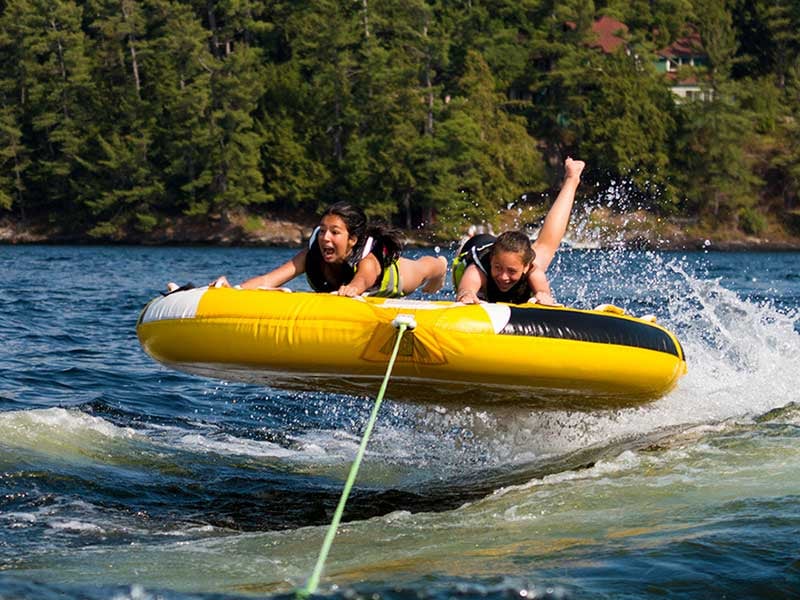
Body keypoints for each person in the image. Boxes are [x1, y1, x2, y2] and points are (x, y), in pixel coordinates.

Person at [206, 201, 447, 298]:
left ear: (352, 239)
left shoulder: (367, 261)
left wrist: (353, 288)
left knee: (423, 268)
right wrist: (235, 290)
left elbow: (363, 279)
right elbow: (270, 279)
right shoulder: (311, 257)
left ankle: (441, 265)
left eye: (335, 232)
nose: (325, 238)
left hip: (395, 279)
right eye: (322, 230)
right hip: (346, 291)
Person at [453, 157, 585, 306]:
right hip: (476, 244)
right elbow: (466, 289)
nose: (503, 277)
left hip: (508, 252)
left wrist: (543, 296)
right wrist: (467, 294)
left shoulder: (533, 270)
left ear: (526, 267)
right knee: (477, 263)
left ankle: (572, 178)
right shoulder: (478, 268)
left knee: (545, 246)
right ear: (491, 262)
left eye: (511, 271)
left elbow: (544, 293)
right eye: (497, 268)